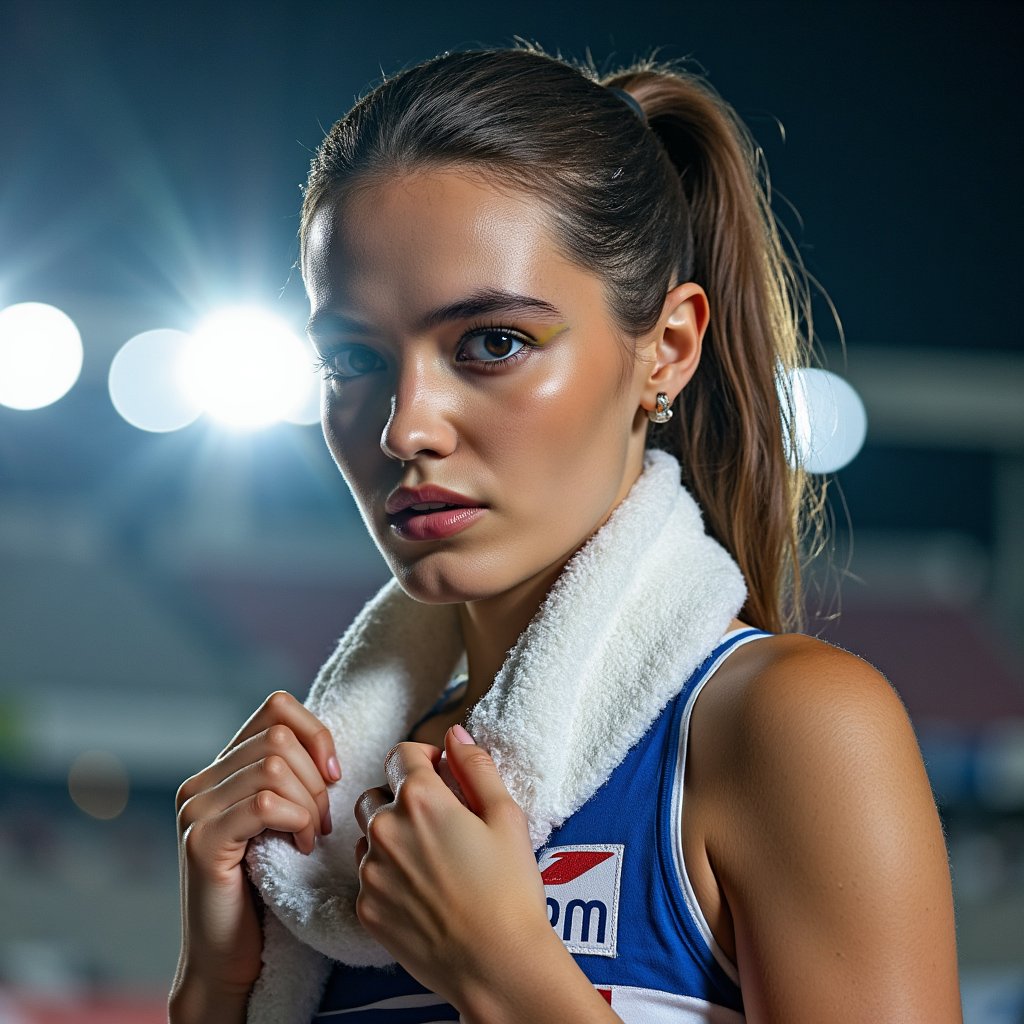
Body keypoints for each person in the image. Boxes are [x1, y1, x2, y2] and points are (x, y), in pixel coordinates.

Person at [168, 42, 962, 1024]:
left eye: (491, 343)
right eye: (353, 357)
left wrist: (509, 974)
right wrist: (217, 983)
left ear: (665, 350)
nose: (405, 423)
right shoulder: (319, 820)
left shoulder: (787, 727)